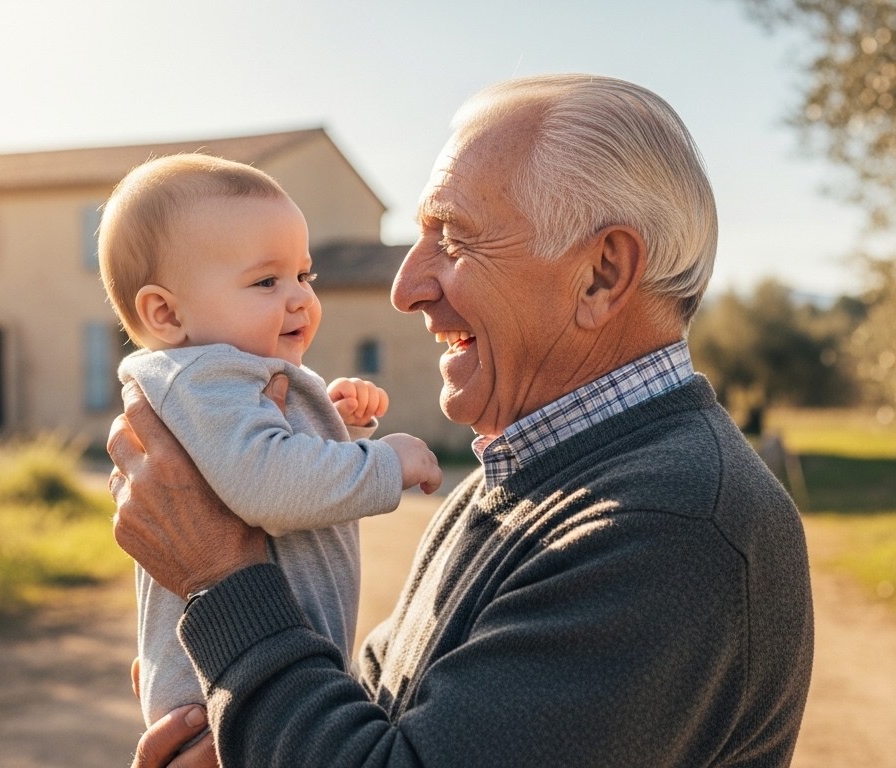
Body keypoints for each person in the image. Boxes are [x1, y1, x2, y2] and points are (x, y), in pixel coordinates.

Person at [108, 74, 815, 768]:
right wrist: (233, 737)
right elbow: (379, 716)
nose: (406, 287)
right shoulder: (512, 482)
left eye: (451, 239)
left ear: (601, 273)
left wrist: (218, 578)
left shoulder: (671, 526)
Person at [96, 154, 443, 726]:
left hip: (256, 663)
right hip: (223, 690)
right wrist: (384, 462)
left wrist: (333, 425)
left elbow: (256, 466)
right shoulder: (203, 375)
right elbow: (268, 485)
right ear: (166, 313)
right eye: (266, 281)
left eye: (305, 276)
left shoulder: (230, 380)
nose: (300, 298)